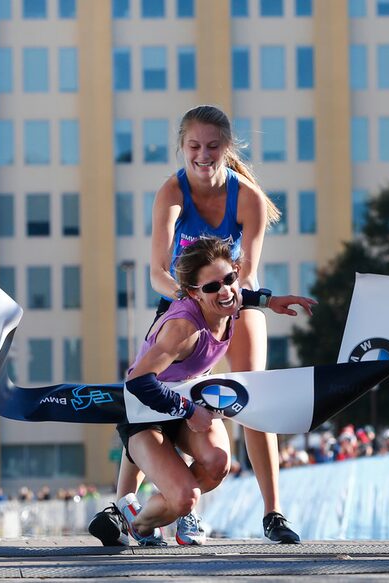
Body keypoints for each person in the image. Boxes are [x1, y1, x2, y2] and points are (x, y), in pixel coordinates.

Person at [90, 105, 302, 545]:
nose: (203, 155)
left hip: (233, 301)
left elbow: (244, 275)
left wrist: (222, 303)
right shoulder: (172, 191)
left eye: (212, 146)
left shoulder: (248, 198)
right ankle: (122, 504)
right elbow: (156, 272)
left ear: (227, 148)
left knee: (252, 399)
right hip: (183, 303)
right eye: (194, 146)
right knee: (146, 396)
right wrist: (191, 300)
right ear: (182, 148)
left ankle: (273, 513)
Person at [89, 237, 314, 546]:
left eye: (230, 279)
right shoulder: (183, 329)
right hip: (144, 414)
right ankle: (170, 508)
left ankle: (137, 521)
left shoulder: (228, 302)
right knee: (184, 497)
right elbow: (137, 382)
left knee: (218, 463)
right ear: (193, 294)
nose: (224, 291)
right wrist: (188, 410)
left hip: (186, 402)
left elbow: (235, 295)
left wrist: (269, 301)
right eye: (211, 287)